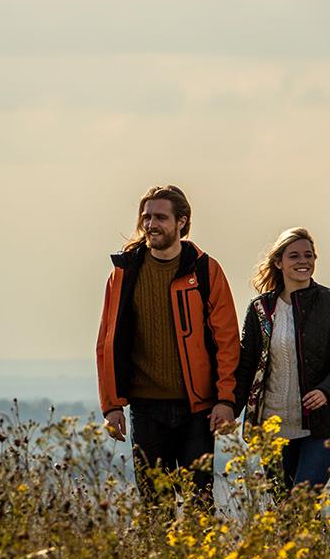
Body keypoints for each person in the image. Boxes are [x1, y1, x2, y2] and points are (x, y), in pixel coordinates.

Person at [95, 185, 242, 507]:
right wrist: (112, 406)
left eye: (160, 217)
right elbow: (107, 340)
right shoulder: (123, 273)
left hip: (197, 409)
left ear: (181, 222)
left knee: (199, 505)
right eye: (146, 217)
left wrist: (226, 399)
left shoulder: (205, 270)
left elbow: (227, 339)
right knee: (154, 506)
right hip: (146, 409)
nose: (151, 224)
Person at [231, 227, 330, 491]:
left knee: (301, 503)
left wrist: (326, 391)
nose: (303, 261)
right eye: (294, 256)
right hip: (273, 427)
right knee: (285, 511)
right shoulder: (260, 308)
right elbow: (247, 366)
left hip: (323, 425)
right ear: (278, 262)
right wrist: (229, 409)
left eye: (309, 255)